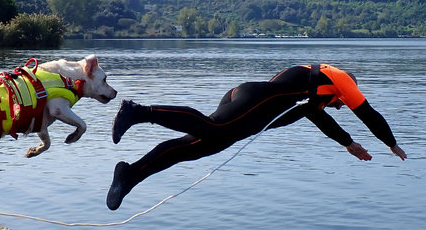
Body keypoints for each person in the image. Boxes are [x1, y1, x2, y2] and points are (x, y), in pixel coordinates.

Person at [107, 64, 407, 210]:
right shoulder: (340, 80)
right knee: (213, 129)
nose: (340, 106)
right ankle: (137, 111)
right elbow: (368, 113)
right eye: (342, 102)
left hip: (250, 107)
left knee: (196, 147)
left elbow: (318, 116)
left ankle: (129, 175)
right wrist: (390, 143)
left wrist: (347, 143)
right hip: (254, 99)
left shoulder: (315, 97)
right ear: (348, 88)